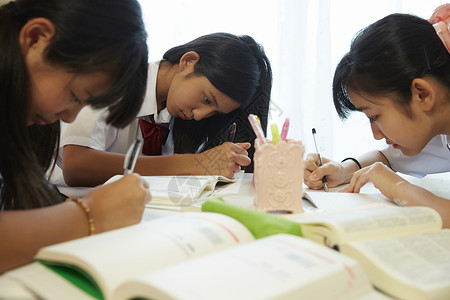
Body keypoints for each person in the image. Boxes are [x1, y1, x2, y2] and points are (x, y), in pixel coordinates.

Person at [0, 0, 151, 273]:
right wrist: (91, 215)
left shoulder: (24, 124)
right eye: (74, 96)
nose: (69, 117)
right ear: (35, 38)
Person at [50, 32, 272, 198]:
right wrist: (190, 163)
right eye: (206, 99)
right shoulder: (114, 79)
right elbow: (76, 165)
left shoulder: (177, 114)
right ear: (188, 62)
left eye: (214, 112)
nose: (200, 115)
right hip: (62, 206)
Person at [306, 7, 450, 227]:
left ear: (422, 94)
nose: (375, 134)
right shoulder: (440, 129)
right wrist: (346, 169)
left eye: (374, 117)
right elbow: (389, 158)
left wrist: (398, 188)